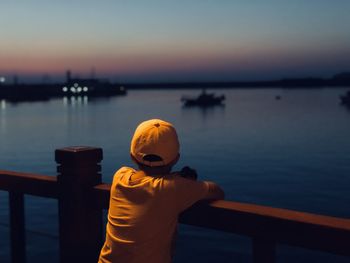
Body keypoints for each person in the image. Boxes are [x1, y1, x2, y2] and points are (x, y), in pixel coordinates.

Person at [99, 119, 225, 263]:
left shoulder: (120, 176)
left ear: (132, 156)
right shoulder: (173, 187)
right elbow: (217, 191)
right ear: (176, 159)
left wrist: (173, 179)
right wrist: (182, 181)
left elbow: (148, 182)